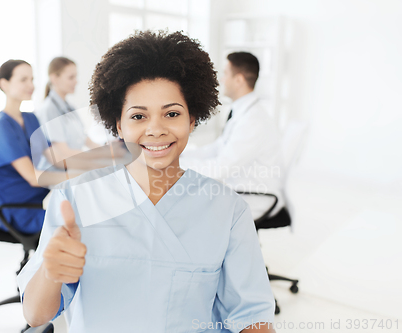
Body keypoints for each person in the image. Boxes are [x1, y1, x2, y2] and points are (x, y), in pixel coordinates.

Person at [18, 31, 276, 332]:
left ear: (192, 120)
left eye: (172, 113)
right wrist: (51, 272)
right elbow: (35, 316)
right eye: (138, 117)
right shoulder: (75, 199)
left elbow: (252, 318)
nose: (155, 129)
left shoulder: (228, 211)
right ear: (118, 124)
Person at [181, 52, 285, 220]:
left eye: (225, 74)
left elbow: (220, 168)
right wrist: (181, 155)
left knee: (184, 206)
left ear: (239, 80)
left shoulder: (253, 121)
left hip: (255, 196)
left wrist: (177, 165)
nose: (222, 80)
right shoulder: (243, 112)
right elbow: (217, 148)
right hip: (242, 189)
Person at [0, 60, 67, 235]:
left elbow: (54, 157)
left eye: (32, 79)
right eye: (23, 80)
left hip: (40, 200)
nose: (31, 85)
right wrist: (73, 177)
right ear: (4, 84)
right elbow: (32, 177)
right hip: (20, 211)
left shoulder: (31, 119)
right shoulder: (0, 128)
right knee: (82, 223)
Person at [35, 57, 102, 169]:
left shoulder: (69, 107)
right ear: (54, 78)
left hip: (74, 167)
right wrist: (97, 156)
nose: (76, 81)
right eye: (71, 77)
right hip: (58, 174)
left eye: (76, 76)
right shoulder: (48, 110)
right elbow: (62, 151)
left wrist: (105, 151)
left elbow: (85, 139)